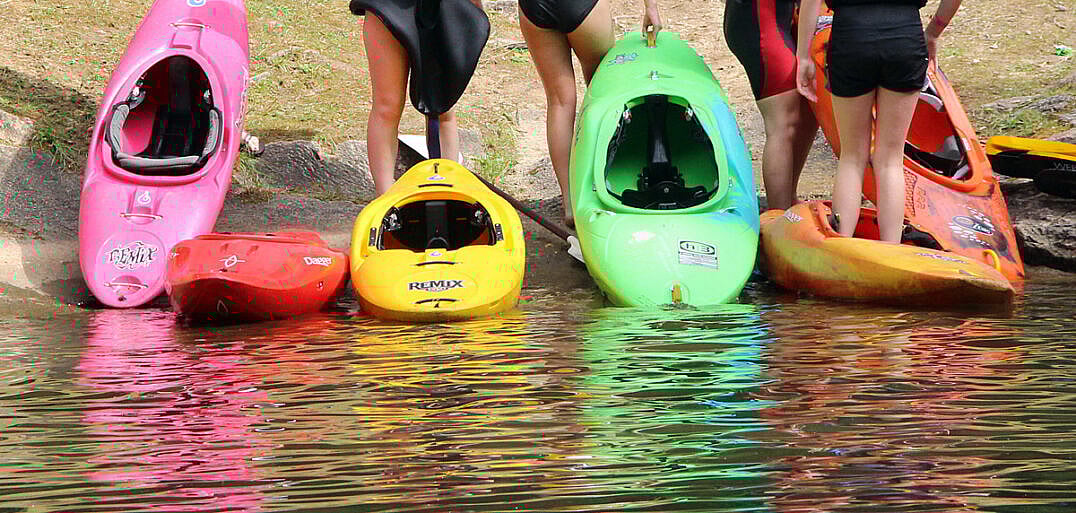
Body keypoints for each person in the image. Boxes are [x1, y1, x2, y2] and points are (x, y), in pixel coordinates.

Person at [796, 0, 961, 242]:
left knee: (852, 157)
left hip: (851, 38)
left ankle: (842, 244)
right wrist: (934, 31)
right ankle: (891, 248)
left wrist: (803, 56)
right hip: (905, 38)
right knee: (891, 159)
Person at [519, 0, 662, 228]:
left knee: (559, 102)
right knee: (602, 92)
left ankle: (571, 203)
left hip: (534, 7)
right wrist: (651, 7)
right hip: (582, 6)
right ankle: (607, 186)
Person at [357, 0, 486, 196]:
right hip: (385, 7)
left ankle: (449, 190)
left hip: (444, 8)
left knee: (443, 106)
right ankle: (384, 199)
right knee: (387, 107)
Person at [723, 0, 820, 211]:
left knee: (809, 109)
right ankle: (778, 214)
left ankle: (789, 198)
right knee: (784, 122)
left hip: (779, 15)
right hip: (760, 20)